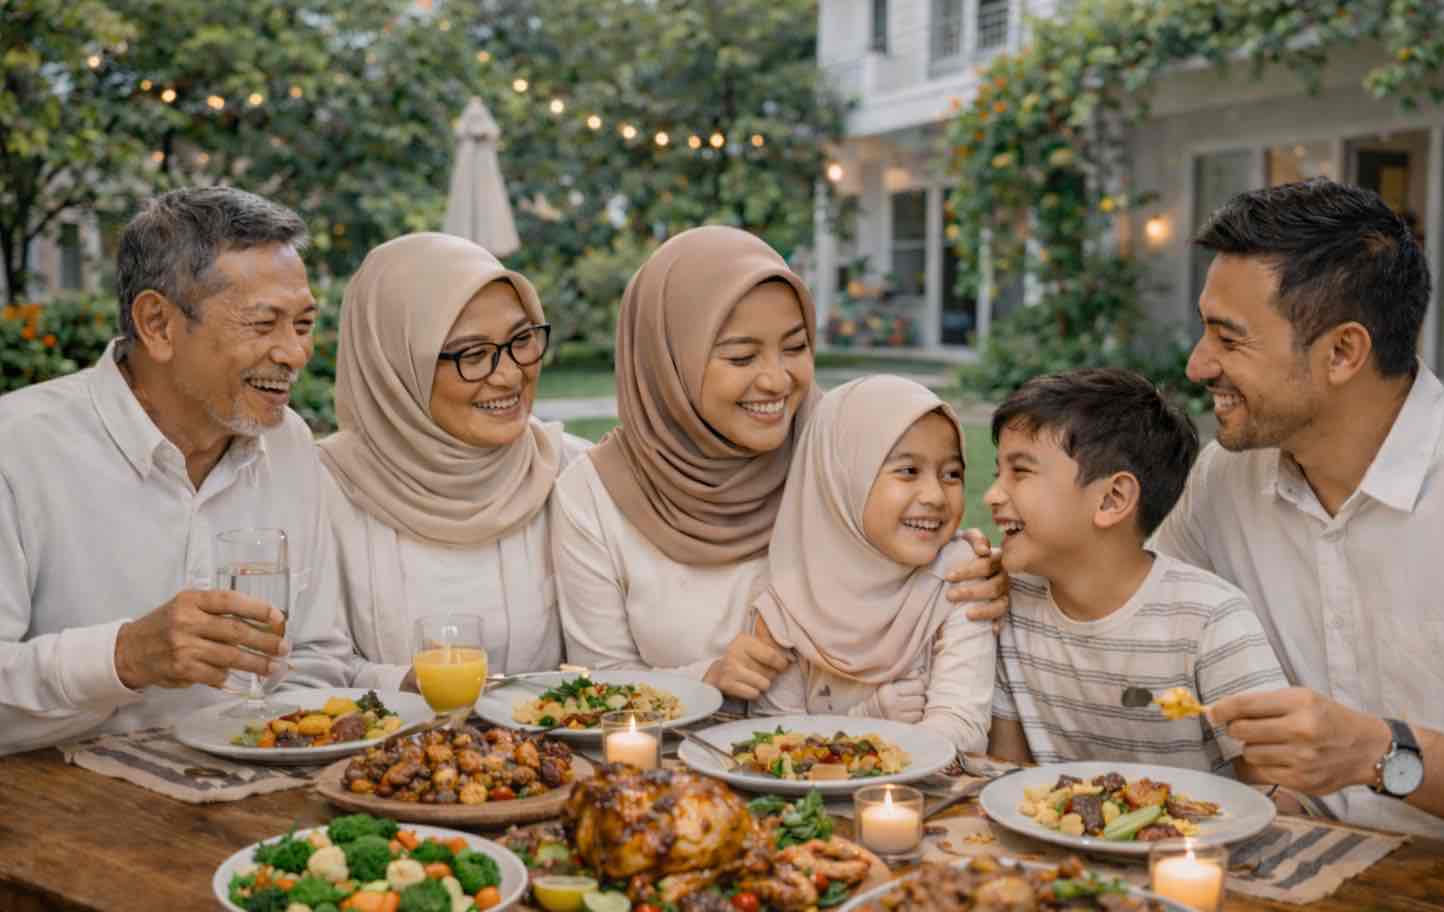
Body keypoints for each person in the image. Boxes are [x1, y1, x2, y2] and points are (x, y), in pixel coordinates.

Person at [1154, 178, 1444, 854]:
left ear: (1342, 353)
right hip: (1283, 866)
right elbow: (1146, 615)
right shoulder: (1226, 477)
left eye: (1228, 338)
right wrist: (1022, 572)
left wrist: (1380, 752)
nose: (1197, 364)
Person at [551, 226, 1005, 703]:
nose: (777, 380)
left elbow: (923, 526)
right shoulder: (593, 495)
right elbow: (596, 685)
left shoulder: (835, 448)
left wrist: (972, 569)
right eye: (742, 356)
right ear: (669, 361)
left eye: (795, 347)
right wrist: (705, 677)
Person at [0, 185, 355, 756]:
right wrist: (123, 657)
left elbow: (315, 655)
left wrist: (282, 742)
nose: (295, 353)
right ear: (158, 324)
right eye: (264, 324)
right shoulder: (16, 450)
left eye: (304, 323)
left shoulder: (289, 444)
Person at [316, 233, 588, 686]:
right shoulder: (322, 489)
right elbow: (306, 666)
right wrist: (402, 683)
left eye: (522, 339)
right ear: (395, 366)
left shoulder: (572, 471)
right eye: (472, 354)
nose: (510, 375)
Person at [985, 368, 1287, 772]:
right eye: (996, 473)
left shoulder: (1209, 619)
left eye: (1020, 472)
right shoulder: (1010, 603)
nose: (991, 495)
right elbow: (1005, 777)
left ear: (1112, 499)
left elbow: (1275, 792)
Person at [752, 375, 995, 752]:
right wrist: (868, 721)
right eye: (908, 471)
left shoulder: (962, 576)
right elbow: (773, 741)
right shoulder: (788, 600)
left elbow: (963, 723)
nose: (935, 495)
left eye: (951, 474)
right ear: (842, 478)